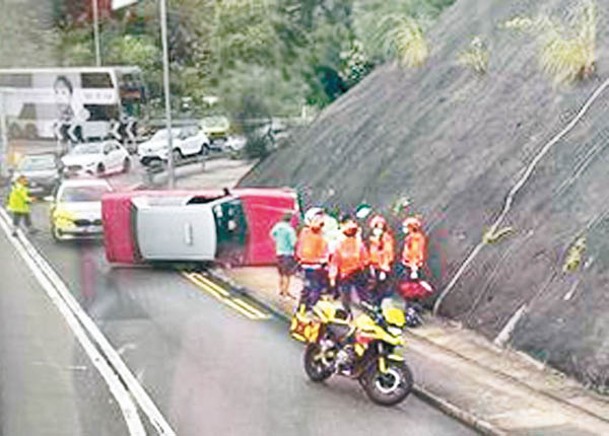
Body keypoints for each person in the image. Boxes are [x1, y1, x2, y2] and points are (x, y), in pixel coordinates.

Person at [329, 218, 370, 315]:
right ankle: (355, 313)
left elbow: (335, 262)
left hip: (350, 273)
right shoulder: (355, 245)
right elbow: (365, 260)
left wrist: (332, 277)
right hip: (351, 273)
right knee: (357, 295)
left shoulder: (355, 245)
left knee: (351, 296)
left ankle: (351, 313)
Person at [295, 208, 330, 311]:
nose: (320, 221)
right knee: (314, 288)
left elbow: (324, 248)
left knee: (310, 288)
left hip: (316, 265)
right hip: (311, 265)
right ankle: (308, 308)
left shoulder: (320, 233)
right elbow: (305, 250)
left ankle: (304, 307)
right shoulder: (308, 232)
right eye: (317, 219)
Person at [368, 214, 395, 306]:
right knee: (374, 285)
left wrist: (384, 269)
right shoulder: (375, 239)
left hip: (381, 266)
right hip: (375, 265)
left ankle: (377, 304)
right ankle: (374, 303)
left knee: (380, 287)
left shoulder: (386, 238)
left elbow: (387, 253)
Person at [270, 212, 298, 299]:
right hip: (288, 253)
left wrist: (277, 241)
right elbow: (293, 243)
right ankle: (285, 294)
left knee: (281, 274)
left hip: (279, 252)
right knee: (287, 274)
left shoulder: (277, 227)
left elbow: (271, 234)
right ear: (290, 220)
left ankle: (281, 291)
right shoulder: (290, 230)